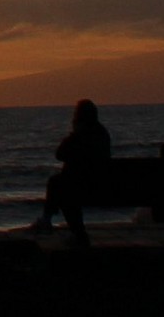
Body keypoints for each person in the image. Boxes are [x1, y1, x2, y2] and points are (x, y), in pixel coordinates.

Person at [31, 98, 113, 240]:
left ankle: (55, 223)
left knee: (59, 185)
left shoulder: (81, 135)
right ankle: (52, 222)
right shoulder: (102, 133)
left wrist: (73, 133)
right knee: (60, 183)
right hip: (101, 186)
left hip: (84, 186)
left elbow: (60, 154)